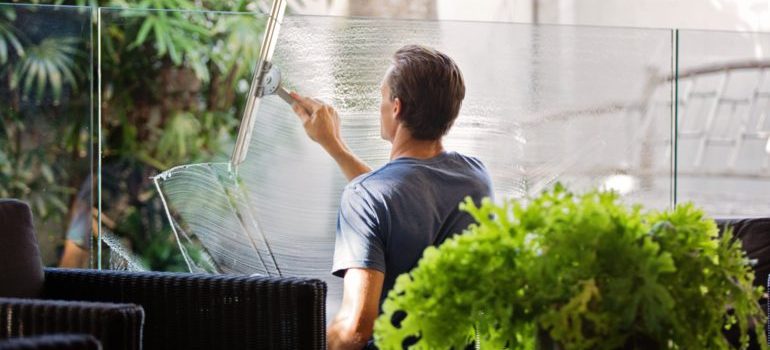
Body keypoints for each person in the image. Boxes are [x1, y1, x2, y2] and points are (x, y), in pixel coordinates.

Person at [290, 44, 493, 350]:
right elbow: (402, 196)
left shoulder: (366, 197)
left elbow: (355, 330)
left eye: (381, 96)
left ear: (396, 107)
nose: (380, 105)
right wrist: (335, 146)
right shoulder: (476, 178)